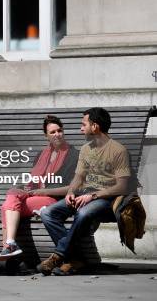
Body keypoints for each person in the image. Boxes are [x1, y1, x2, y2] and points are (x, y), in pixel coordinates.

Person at [38, 107, 131, 276]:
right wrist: (71, 192)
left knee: (83, 213)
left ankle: (58, 255)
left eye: (84, 124)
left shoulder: (118, 150)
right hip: (84, 196)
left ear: (94, 127)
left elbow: (122, 186)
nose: (81, 129)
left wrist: (93, 195)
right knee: (48, 213)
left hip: (106, 199)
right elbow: (78, 178)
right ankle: (74, 259)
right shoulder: (86, 149)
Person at [0, 115, 79, 260]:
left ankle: (7, 247)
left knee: (7, 207)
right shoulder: (41, 154)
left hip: (54, 200)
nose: (57, 134)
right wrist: (26, 186)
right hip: (37, 196)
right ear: (46, 136)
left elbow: (73, 188)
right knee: (12, 194)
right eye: (52, 132)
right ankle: (9, 246)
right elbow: (34, 180)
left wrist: (43, 191)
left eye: (59, 130)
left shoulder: (74, 155)